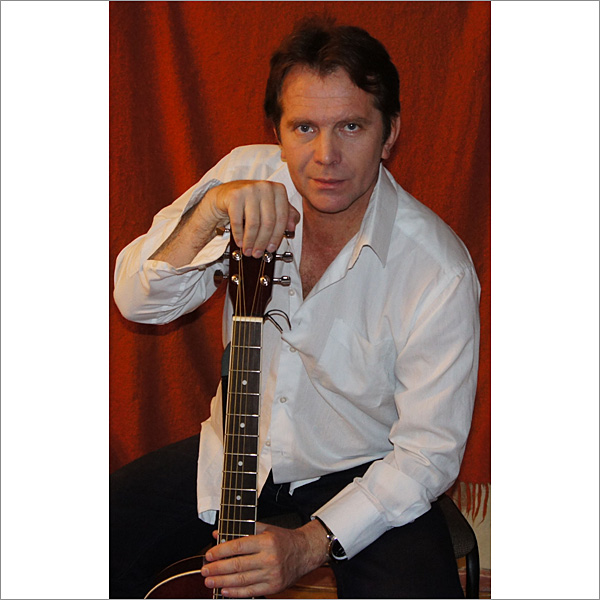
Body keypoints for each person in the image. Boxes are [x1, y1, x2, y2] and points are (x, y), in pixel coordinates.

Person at [111, 17, 480, 599]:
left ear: (389, 134)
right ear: (277, 133)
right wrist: (208, 215)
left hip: (362, 470)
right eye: (304, 127)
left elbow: (427, 454)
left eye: (351, 126)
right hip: (236, 451)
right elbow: (138, 303)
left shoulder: (438, 270)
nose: (326, 155)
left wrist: (308, 543)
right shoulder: (242, 178)